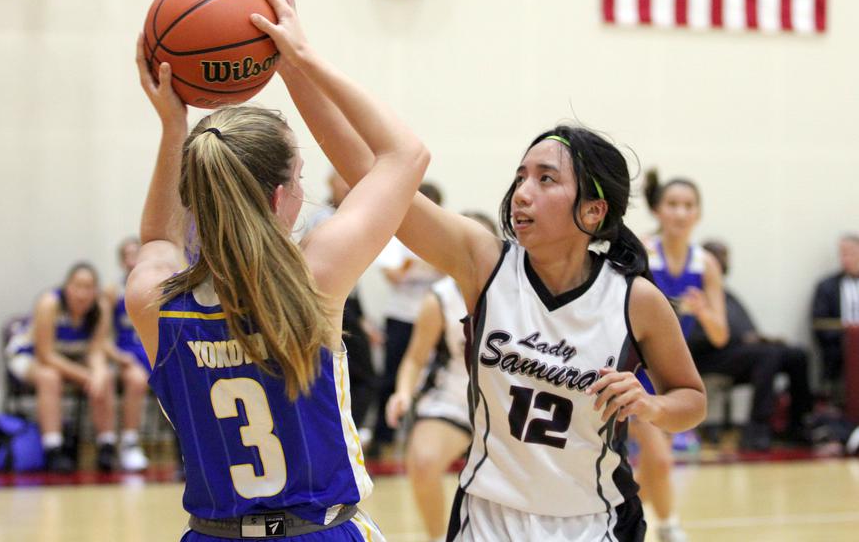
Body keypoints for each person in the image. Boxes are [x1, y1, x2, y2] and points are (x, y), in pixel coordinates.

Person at [286, 64, 707, 540]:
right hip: (487, 518)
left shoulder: (635, 299)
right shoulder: (483, 263)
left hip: (596, 522)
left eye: (546, 180)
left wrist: (651, 406)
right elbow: (370, 172)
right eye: (521, 176)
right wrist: (295, 63)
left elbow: (691, 400)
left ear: (593, 210)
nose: (522, 194)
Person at [126, 0, 429, 540]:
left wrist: (174, 124)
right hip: (321, 531)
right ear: (277, 198)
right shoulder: (313, 279)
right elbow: (405, 154)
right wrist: (297, 61)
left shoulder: (156, 297)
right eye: (299, 179)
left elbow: (156, 241)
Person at [385, 212, 497, 542]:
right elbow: (415, 359)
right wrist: (403, 392)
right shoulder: (441, 297)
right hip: (459, 398)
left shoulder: (521, 291)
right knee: (422, 461)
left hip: (514, 403)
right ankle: (438, 538)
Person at [637, 172, 728, 542]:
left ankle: (618, 515)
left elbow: (720, 335)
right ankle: (669, 526)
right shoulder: (643, 250)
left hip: (672, 376)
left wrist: (703, 312)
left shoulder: (705, 265)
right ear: (659, 210)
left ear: (698, 214)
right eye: (673, 204)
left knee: (653, 467)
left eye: (688, 206)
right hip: (635, 369)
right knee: (659, 460)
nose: (680, 212)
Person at [691, 240, 813, 449]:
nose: (723, 262)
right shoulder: (693, 294)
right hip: (709, 357)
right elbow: (693, 337)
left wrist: (761, 338)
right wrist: (740, 339)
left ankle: (797, 425)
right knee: (767, 355)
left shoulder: (727, 294)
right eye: (717, 257)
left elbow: (746, 330)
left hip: (740, 353)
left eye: (725, 257)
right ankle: (757, 429)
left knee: (797, 354)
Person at [6, 262, 117, 472]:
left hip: (71, 357)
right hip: (29, 355)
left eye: (89, 287)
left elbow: (95, 351)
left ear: (95, 290)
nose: (83, 294)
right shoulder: (50, 303)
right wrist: (86, 376)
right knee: (50, 377)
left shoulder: (101, 308)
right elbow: (45, 355)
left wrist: (99, 373)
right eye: (78, 286)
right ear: (67, 287)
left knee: (106, 377)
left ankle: (106, 446)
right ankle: (53, 448)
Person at [298, 172, 379, 432]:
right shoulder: (326, 220)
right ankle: (341, 428)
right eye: (341, 181)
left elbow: (355, 278)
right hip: (324, 303)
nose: (347, 186)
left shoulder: (346, 219)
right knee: (336, 372)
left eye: (349, 181)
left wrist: (363, 318)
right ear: (330, 184)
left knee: (358, 373)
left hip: (346, 304)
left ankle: (348, 426)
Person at [370, 182, 445, 455]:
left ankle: (426, 433)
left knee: (434, 378)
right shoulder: (394, 235)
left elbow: (450, 267)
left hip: (434, 316)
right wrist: (425, 263)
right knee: (391, 377)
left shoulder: (443, 236)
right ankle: (383, 436)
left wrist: (422, 263)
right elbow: (395, 275)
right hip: (400, 316)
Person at [103, 236, 151, 472]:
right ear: (122, 262)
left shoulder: (158, 285)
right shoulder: (113, 291)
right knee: (136, 380)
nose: (133, 260)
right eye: (127, 255)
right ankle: (130, 442)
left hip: (154, 350)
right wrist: (116, 357)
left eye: (137, 254)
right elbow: (101, 338)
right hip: (127, 354)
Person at [811, 234, 859, 396]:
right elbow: (819, 322)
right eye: (842, 254)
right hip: (841, 343)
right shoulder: (827, 286)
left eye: (850, 253)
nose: (845, 259)